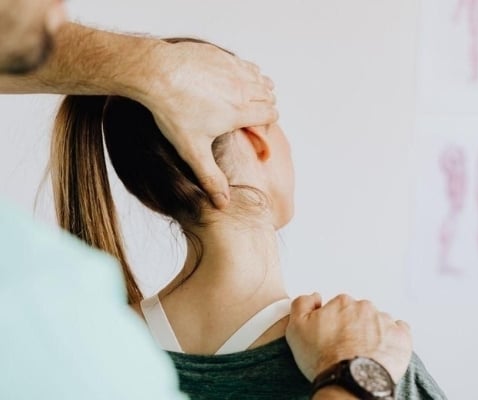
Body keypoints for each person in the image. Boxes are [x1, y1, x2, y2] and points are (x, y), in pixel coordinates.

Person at [0, 1, 424, 399]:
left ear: (152, 193)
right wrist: (358, 373)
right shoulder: (375, 363)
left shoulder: (70, 345)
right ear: (258, 140)